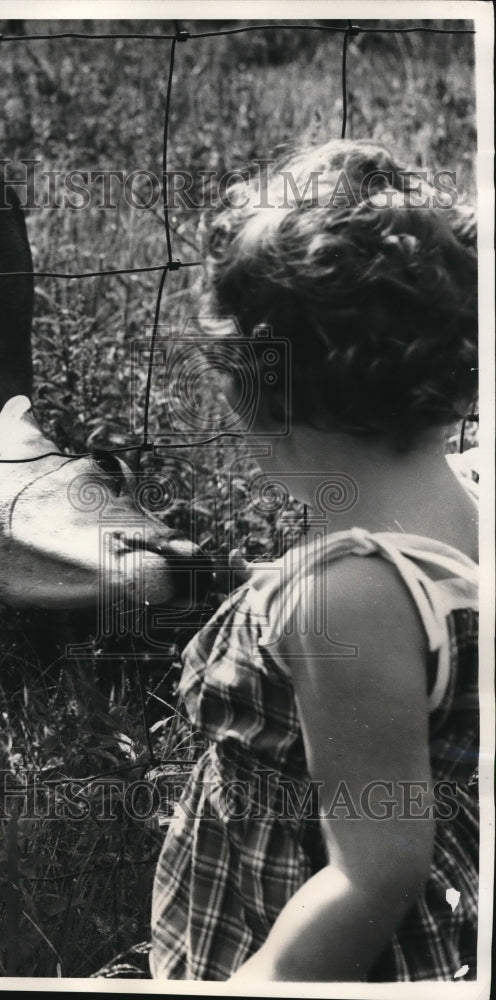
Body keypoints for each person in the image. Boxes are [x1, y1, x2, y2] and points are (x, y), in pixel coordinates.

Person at [150, 139, 479, 982]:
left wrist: (261, 984)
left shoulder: (344, 597)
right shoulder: (467, 501)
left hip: (319, 955)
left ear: (256, 394)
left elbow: (373, 871)